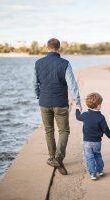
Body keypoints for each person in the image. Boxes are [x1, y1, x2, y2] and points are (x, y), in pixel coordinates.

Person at [35, 38, 82, 175]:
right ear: (59, 48)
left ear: (47, 48)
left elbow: (35, 83)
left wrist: (39, 96)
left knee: (49, 131)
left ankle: (52, 157)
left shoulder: (38, 63)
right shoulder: (65, 63)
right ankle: (58, 158)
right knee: (64, 131)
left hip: (44, 102)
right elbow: (72, 85)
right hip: (60, 103)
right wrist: (78, 103)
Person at [75, 92, 110, 180]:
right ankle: (100, 170)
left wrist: (77, 109)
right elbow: (105, 129)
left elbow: (78, 117)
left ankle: (93, 174)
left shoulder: (84, 115)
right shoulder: (101, 117)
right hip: (97, 142)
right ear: (99, 105)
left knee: (89, 157)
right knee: (98, 155)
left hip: (87, 141)